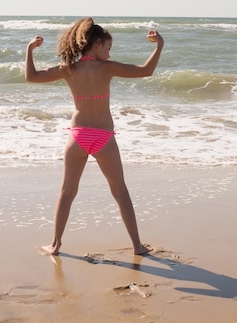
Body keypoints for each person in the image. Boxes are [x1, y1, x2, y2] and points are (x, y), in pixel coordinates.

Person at [25, 17, 164, 256]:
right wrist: (159, 46)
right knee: (120, 191)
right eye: (108, 48)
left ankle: (55, 245)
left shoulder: (68, 69)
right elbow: (146, 71)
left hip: (77, 137)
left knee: (67, 193)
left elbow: (32, 77)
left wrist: (29, 50)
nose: (109, 55)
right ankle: (137, 246)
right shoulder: (107, 68)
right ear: (98, 44)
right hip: (104, 139)